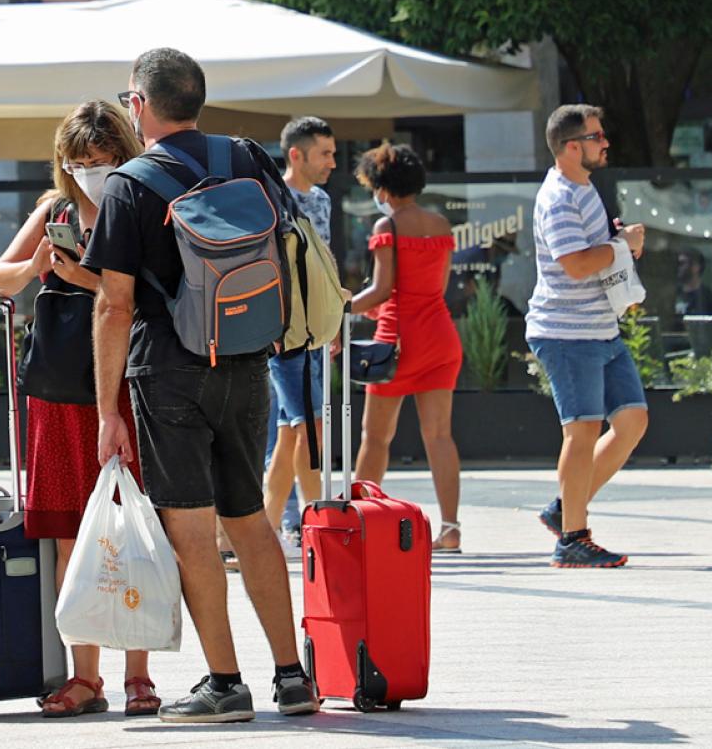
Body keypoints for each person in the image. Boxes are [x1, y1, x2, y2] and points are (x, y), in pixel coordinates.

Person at [84, 47, 319, 724]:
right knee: (251, 520)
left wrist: (108, 410)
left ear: (141, 103)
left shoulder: (130, 184)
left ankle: (224, 684)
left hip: (168, 367)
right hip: (247, 360)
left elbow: (114, 304)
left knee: (192, 530)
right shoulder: (245, 157)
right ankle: (293, 676)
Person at [0, 100, 160, 719]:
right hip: (57, 391)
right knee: (66, 536)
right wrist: (37, 266)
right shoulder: (52, 210)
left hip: (122, 392)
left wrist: (92, 283)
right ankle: (86, 676)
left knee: (132, 533)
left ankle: (139, 673)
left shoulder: (140, 207)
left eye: (100, 159)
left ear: (122, 156)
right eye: (78, 161)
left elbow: (152, 300)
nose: (88, 170)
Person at [527, 104, 649, 569]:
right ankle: (572, 539)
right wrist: (622, 246)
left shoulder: (584, 188)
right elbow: (574, 263)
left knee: (633, 421)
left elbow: (592, 250)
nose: (605, 143)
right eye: (597, 136)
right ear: (572, 147)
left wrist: (616, 237)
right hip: (565, 332)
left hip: (601, 329)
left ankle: (565, 507)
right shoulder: (559, 196)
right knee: (581, 434)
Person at [348, 142, 465, 553]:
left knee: (376, 438)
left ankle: (357, 521)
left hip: (398, 341)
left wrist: (342, 307)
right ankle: (450, 529)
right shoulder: (441, 225)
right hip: (440, 336)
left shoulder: (388, 228)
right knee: (440, 436)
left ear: (382, 188)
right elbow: (437, 289)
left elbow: (382, 290)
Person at [260, 116, 336, 549]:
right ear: (296, 154)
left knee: (295, 428)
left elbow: (324, 263)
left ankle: (275, 526)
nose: (331, 162)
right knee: (307, 426)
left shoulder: (322, 201)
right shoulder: (274, 200)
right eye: (324, 153)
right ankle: (312, 524)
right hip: (285, 331)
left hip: (314, 330)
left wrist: (333, 320)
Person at [674, 250, 712, 318]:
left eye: (682, 263)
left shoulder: (707, 297)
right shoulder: (674, 294)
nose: (678, 268)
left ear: (696, 267)